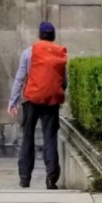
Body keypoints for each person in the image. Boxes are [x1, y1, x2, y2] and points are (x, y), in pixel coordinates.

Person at [7, 20, 67, 189]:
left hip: (30, 100)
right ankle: (51, 178)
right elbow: (64, 81)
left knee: (27, 137)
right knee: (50, 138)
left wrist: (13, 101)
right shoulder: (59, 53)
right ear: (53, 36)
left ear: (40, 35)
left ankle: (25, 178)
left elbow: (20, 77)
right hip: (51, 102)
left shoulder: (29, 52)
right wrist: (54, 94)